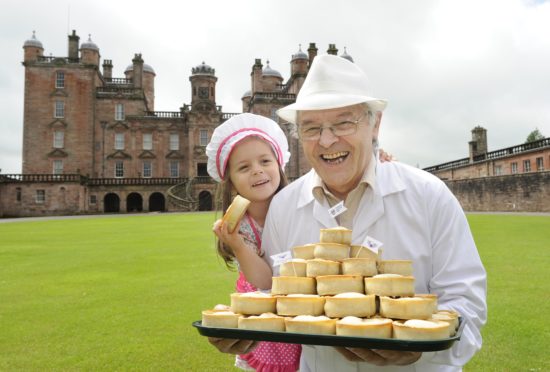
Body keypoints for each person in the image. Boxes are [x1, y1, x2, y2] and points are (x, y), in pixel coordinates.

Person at [211, 55, 487, 371]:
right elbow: (276, 298)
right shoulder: (284, 206)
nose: (327, 141)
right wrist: (244, 329)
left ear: (375, 123)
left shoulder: (429, 195)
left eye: (344, 122)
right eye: (312, 128)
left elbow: (468, 305)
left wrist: (420, 349)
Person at [206, 113, 302, 371]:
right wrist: (236, 243)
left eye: (264, 161)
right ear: (233, 184)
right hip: (260, 317)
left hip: (298, 308)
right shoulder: (240, 225)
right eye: (244, 167)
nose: (257, 170)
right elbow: (264, 282)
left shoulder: (297, 208)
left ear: (279, 167)